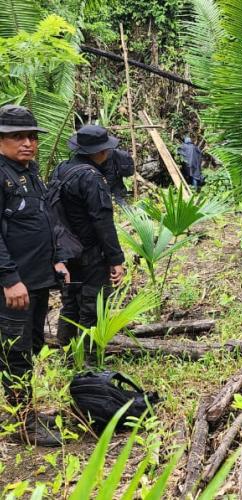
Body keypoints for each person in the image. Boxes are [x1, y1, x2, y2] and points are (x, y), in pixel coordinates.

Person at [0, 104, 67, 446]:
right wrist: (9, 278)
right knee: (15, 353)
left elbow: (43, 219)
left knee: (33, 346)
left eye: (31, 136)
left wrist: (57, 260)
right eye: (16, 136)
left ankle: (23, 411)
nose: (27, 142)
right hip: (14, 285)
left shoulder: (29, 171)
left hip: (38, 280)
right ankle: (22, 424)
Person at [55, 125, 126, 348]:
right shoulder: (92, 178)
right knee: (94, 304)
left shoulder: (62, 169)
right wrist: (116, 259)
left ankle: (66, 350)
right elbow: (102, 221)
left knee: (70, 302)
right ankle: (88, 357)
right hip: (90, 252)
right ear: (100, 152)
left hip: (65, 249)